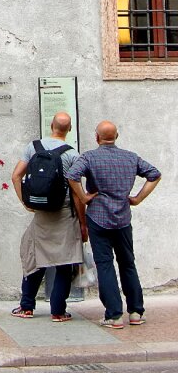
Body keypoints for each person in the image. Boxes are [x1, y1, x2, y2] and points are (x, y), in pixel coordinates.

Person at [66, 120, 160, 329]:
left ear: (97, 137)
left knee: (105, 265)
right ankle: (135, 312)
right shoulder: (130, 157)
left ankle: (114, 315)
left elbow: (72, 176)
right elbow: (154, 174)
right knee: (128, 263)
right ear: (116, 136)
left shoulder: (89, 157)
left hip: (98, 218)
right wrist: (137, 198)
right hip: (123, 219)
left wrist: (84, 197)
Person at [10, 112, 86, 321]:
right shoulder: (72, 154)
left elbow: (16, 175)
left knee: (36, 258)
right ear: (69, 130)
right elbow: (77, 192)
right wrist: (83, 222)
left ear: (51, 125)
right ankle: (58, 312)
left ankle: (26, 307)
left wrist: (25, 202)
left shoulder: (33, 147)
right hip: (64, 213)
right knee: (64, 262)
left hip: (41, 213)